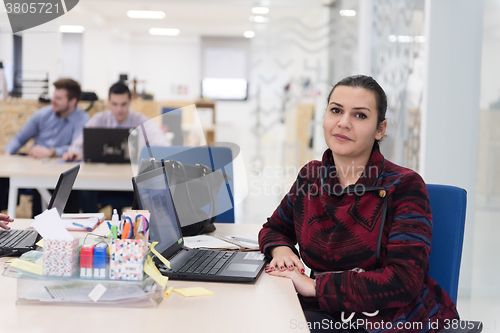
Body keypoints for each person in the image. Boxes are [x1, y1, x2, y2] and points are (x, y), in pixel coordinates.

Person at [259, 75, 458, 333]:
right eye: (336, 110)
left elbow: (403, 280)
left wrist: (314, 286)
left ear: (380, 129)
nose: (343, 123)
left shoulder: (406, 185)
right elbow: (273, 228)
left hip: (391, 320)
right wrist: (282, 251)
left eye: (360, 116)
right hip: (324, 313)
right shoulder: (311, 176)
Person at [62, 81, 165, 162]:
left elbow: (162, 147)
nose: (119, 109)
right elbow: (78, 144)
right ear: (109, 102)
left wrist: (145, 154)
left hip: (132, 174)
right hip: (103, 173)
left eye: (123, 104)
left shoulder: (142, 121)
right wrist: (73, 152)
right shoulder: (99, 119)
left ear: (130, 102)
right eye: (115, 104)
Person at [4, 78, 89, 158]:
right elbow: (19, 138)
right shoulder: (42, 114)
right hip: (35, 164)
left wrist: (52, 152)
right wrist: (8, 154)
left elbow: (77, 148)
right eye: (54, 96)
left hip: (61, 166)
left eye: (58, 98)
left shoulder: (82, 119)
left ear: (72, 101)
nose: (53, 100)